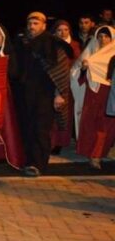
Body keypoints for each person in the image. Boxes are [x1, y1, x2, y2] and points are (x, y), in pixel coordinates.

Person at [14, 12, 70, 177]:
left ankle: (38, 164)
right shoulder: (22, 42)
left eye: (36, 23)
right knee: (26, 128)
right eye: (30, 23)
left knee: (40, 129)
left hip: (45, 94)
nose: (32, 26)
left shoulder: (53, 43)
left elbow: (61, 71)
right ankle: (28, 161)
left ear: (44, 25)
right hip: (24, 93)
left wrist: (59, 93)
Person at [71, 26, 115, 169]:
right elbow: (77, 72)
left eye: (106, 37)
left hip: (109, 93)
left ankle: (97, 154)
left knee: (105, 124)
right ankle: (90, 151)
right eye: (100, 36)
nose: (103, 39)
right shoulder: (91, 52)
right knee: (90, 122)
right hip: (92, 93)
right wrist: (84, 68)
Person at [0, 24, 26, 170]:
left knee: (6, 126)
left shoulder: (11, 53)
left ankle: (6, 155)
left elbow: (15, 75)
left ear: (4, 36)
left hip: (5, 96)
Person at [50, 19, 81, 153]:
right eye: (59, 30)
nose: (63, 33)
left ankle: (61, 142)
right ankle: (53, 141)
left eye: (66, 30)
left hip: (68, 84)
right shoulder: (50, 44)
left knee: (65, 114)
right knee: (53, 114)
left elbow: (77, 62)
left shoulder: (74, 45)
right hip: (54, 82)